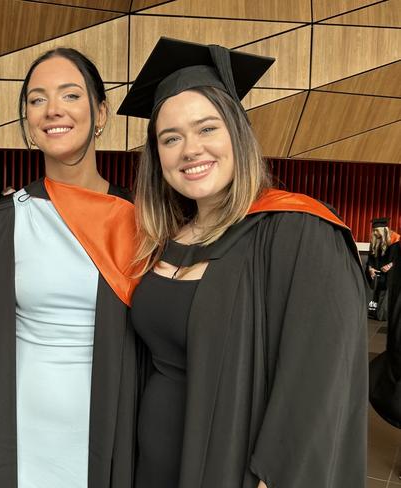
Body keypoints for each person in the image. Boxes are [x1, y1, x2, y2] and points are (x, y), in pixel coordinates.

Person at [117, 38, 368, 487]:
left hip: (231, 468)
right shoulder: (163, 241)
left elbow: (319, 386)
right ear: (158, 157)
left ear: (238, 133)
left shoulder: (296, 231)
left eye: (207, 128)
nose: (190, 149)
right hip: (152, 465)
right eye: (170, 138)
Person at [0, 48, 140, 488]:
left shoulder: (140, 221)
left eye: (70, 95)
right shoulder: (3, 219)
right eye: (36, 99)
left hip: (110, 428)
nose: (53, 110)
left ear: (100, 113)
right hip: (21, 431)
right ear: (27, 121)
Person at [370, 218, 401, 429]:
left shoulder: (396, 244)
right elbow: (375, 259)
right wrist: (373, 268)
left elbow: (393, 264)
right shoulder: (387, 245)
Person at [366, 217, 399, 320]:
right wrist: (370, 268)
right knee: (373, 289)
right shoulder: (374, 241)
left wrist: (390, 266)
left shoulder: (395, 240)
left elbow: (398, 259)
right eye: (374, 231)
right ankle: (372, 312)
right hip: (376, 274)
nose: (375, 233)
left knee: (386, 291)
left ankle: (383, 314)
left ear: (384, 230)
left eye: (377, 231)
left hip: (390, 274)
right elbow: (370, 258)